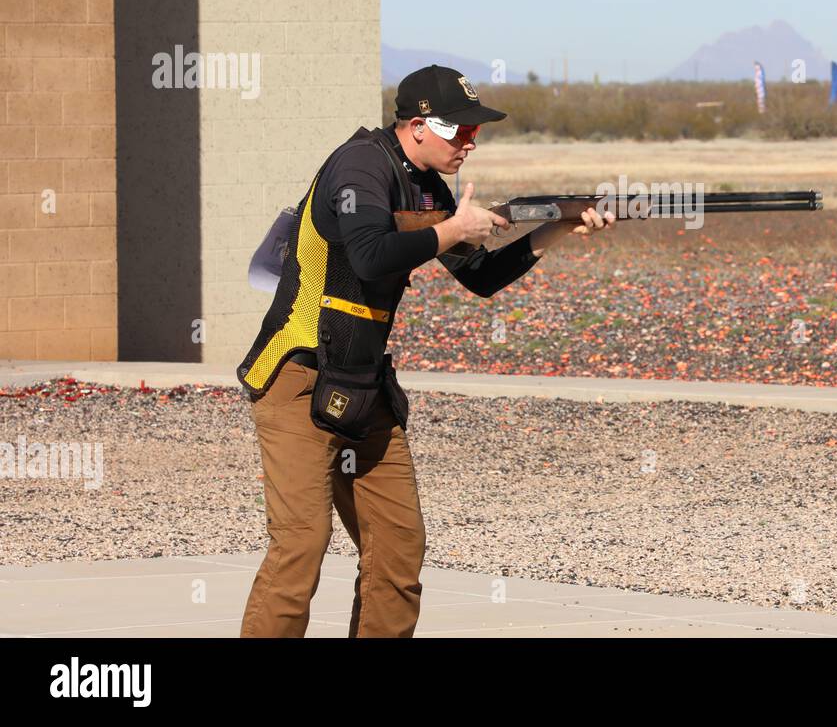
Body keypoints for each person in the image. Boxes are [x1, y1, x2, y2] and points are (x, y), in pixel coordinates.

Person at [235, 64, 614, 637]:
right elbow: (368, 254)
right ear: (416, 126)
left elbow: (481, 278)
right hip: (298, 377)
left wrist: (556, 227)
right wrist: (454, 229)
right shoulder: (360, 166)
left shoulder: (427, 186)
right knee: (301, 549)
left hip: (361, 387)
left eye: (475, 131)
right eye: (459, 130)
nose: (470, 141)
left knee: (397, 551)